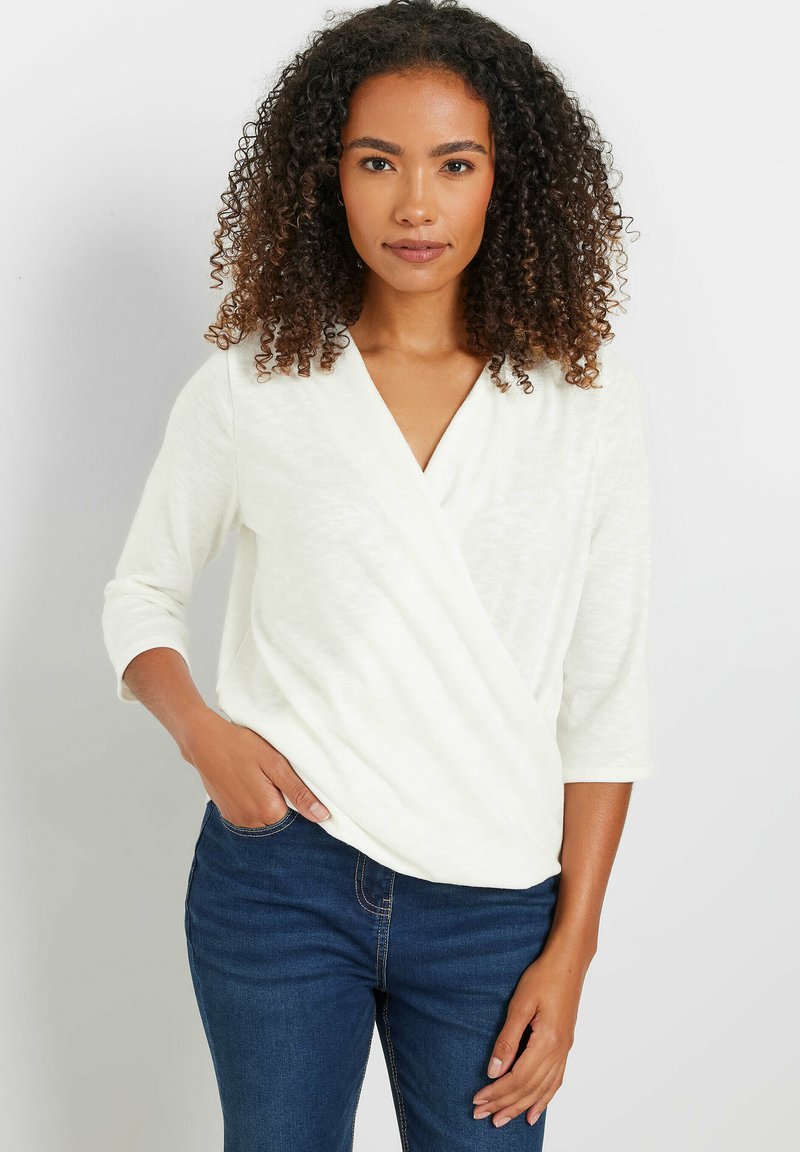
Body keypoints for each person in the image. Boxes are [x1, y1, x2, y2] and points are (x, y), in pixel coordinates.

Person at [101, 1, 656, 1148]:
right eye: (375, 162)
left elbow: (605, 696)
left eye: (453, 164)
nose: (413, 204)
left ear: (505, 181)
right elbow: (138, 596)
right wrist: (204, 736)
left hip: (493, 904)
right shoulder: (255, 386)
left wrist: (572, 950)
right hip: (279, 885)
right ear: (328, 177)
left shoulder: (579, 403)